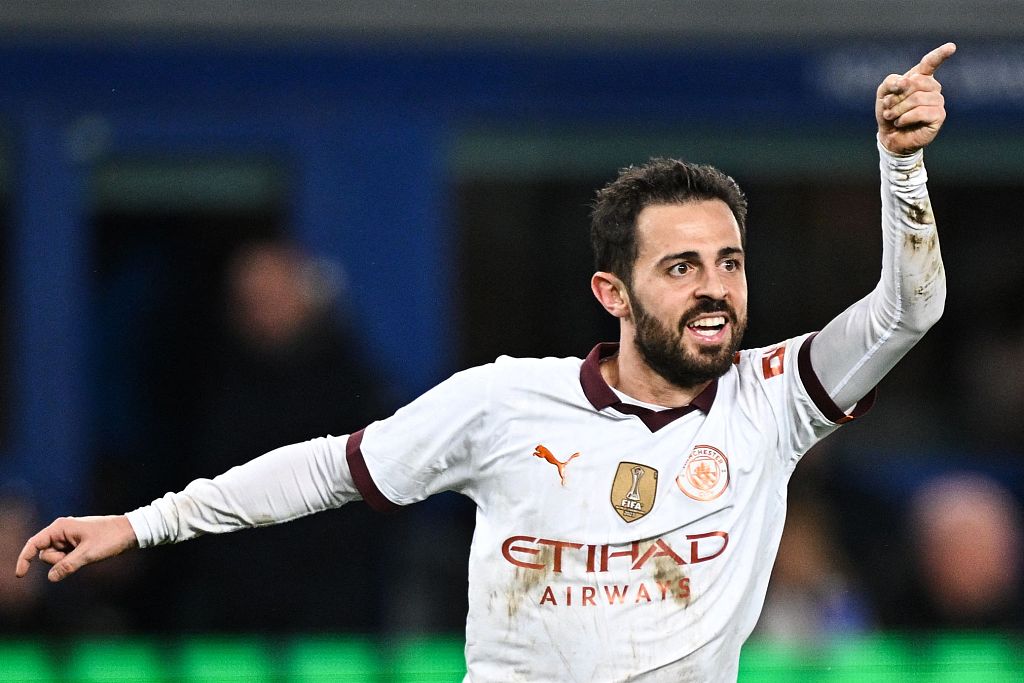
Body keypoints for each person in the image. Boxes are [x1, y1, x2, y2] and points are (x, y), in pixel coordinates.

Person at [16, 44, 955, 681]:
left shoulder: (774, 398)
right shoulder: (504, 402)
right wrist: (145, 524)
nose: (714, 288)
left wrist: (900, 168)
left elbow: (908, 310)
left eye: (729, 262)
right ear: (613, 294)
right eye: (680, 267)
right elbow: (327, 468)